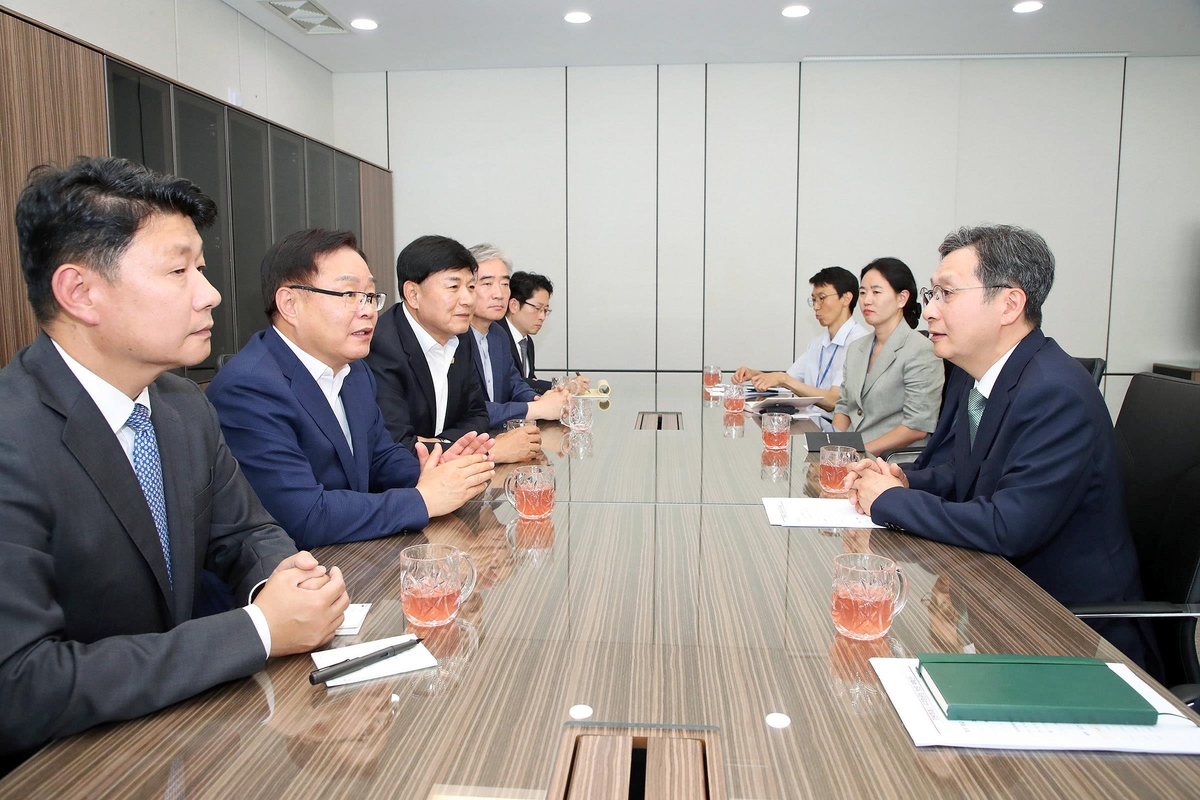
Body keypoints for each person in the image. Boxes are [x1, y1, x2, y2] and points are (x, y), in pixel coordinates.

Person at [0, 157, 348, 760]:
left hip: (174, 736)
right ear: (80, 292)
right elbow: (23, 685)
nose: (209, 293)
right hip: (63, 766)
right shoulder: (12, 436)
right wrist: (260, 630)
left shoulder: (182, 406)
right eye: (178, 270)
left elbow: (245, 530)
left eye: (202, 268)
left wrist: (283, 579)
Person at [846, 225, 1149, 669]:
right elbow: (969, 473)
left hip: (1068, 632)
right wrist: (907, 478)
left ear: (1009, 303)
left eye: (946, 294)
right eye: (933, 294)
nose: (929, 311)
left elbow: (1010, 525)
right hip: (1000, 597)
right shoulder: (980, 374)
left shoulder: (1054, 391)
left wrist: (890, 501)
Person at [207, 229, 495, 551]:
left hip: (352, 555)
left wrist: (436, 469)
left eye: (370, 296)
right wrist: (423, 499)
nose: (368, 310)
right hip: (294, 577)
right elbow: (304, 516)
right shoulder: (249, 387)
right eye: (349, 295)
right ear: (290, 304)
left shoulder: (354, 371)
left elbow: (381, 459)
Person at [365, 235, 492, 451]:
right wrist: (455, 447)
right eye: (453, 287)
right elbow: (397, 443)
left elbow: (478, 417)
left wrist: (438, 443)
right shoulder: (381, 346)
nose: (469, 300)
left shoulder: (460, 335)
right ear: (413, 294)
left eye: (471, 287)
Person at [467, 243, 569, 463]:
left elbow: (514, 383)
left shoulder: (497, 334)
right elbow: (473, 410)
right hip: (473, 451)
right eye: (487, 283)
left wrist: (542, 399)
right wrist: (538, 408)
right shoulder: (454, 339)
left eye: (505, 284)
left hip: (503, 443)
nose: (499, 293)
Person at [832, 257, 943, 455]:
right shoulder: (857, 347)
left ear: (902, 298)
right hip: (852, 456)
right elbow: (843, 406)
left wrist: (856, 453)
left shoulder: (921, 350)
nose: (866, 300)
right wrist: (832, 451)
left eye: (876, 292)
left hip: (893, 462)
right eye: (863, 292)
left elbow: (916, 427)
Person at [733, 266, 870, 416]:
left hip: (837, 431)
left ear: (846, 299)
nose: (816, 307)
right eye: (813, 300)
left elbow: (833, 400)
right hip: (811, 422)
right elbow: (789, 382)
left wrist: (782, 378)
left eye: (822, 298)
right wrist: (755, 375)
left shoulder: (860, 343)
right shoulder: (817, 344)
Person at [505, 270, 590, 394]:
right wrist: (563, 385)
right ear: (514, 305)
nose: (542, 317)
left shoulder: (527, 343)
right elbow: (511, 381)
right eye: (538, 308)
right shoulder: (495, 337)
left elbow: (530, 382)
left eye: (545, 310)